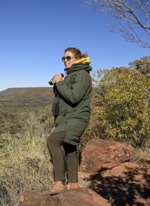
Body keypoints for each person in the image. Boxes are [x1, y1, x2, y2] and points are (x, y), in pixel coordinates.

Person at [47, 47, 92, 194]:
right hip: (68, 118)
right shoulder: (72, 75)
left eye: (68, 58)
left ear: (78, 59)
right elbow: (64, 97)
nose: (65, 60)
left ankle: (59, 182)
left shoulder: (82, 75)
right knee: (70, 148)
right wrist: (58, 83)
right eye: (63, 58)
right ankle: (73, 185)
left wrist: (60, 83)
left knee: (52, 141)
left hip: (75, 118)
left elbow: (74, 97)